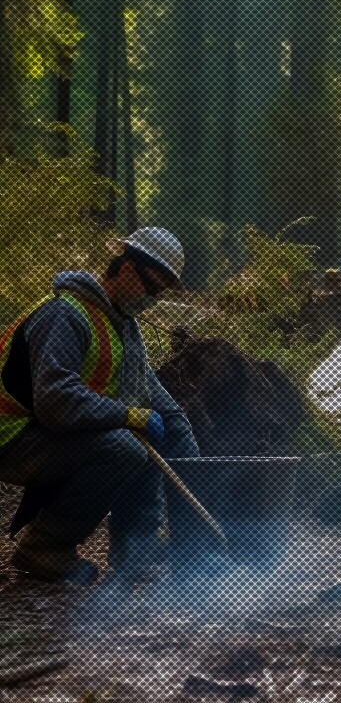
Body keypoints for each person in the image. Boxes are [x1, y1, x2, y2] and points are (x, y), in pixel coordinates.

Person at [0, 227, 201, 584]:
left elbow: (156, 404)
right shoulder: (65, 314)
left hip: (44, 433)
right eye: (152, 288)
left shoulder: (122, 326)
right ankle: (44, 547)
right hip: (13, 437)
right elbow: (56, 400)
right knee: (123, 446)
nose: (153, 300)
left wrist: (175, 431)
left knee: (149, 430)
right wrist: (126, 414)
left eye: (161, 292)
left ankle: (137, 548)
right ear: (126, 269)